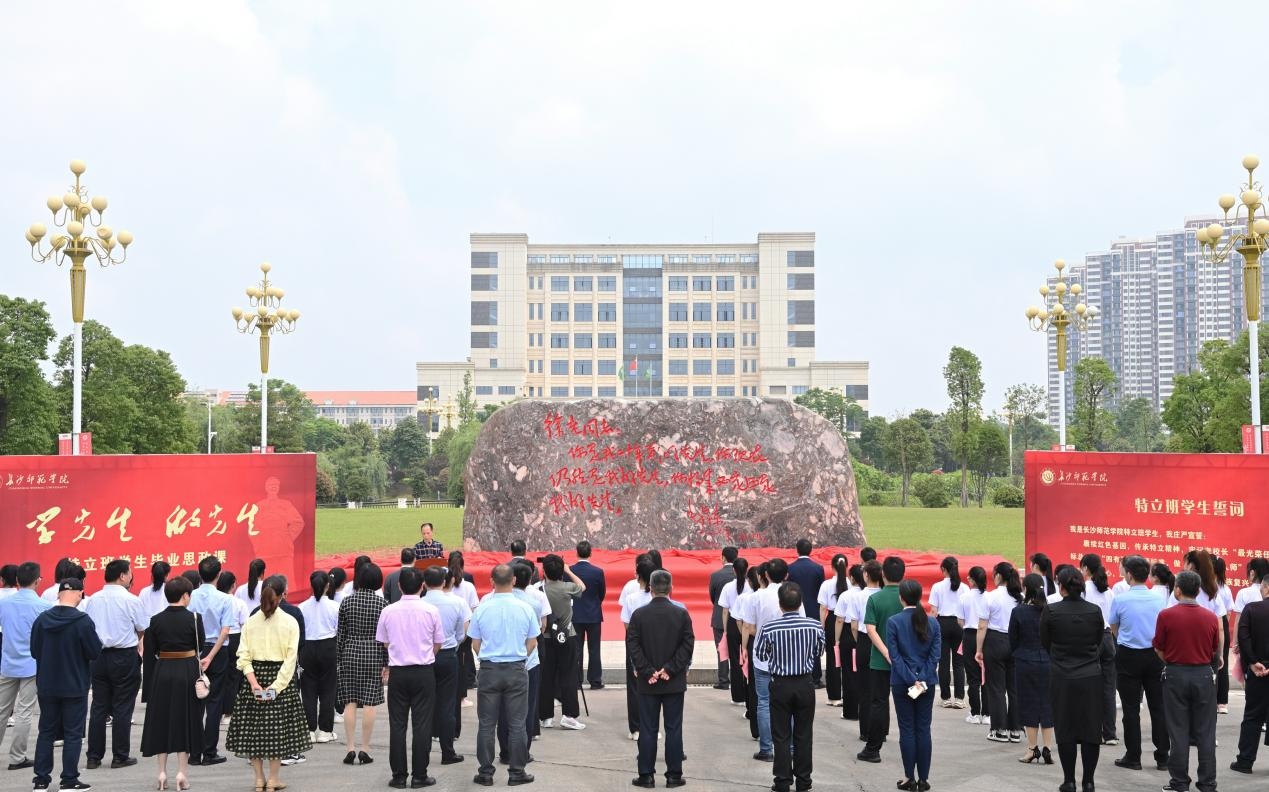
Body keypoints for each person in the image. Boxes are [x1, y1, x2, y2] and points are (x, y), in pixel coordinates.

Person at [226, 574, 309, 792]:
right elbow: (291, 660)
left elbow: (243, 656)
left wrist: (253, 683)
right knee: (276, 732)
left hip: (254, 677)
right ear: (283, 595)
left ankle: (259, 779)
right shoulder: (290, 622)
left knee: (253, 732)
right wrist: (276, 686)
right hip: (280, 678)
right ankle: (273, 779)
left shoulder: (251, 621)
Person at [468, 564, 540, 787]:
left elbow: (475, 644)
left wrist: (488, 659)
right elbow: (532, 642)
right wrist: (519, 658)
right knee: (517, 724)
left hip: (489, 669)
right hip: (516, 668)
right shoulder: (525, 608)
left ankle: (485, 772)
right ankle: (517, 771)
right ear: (514, 580)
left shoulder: (482, 608)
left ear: (491, 581)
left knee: (487, 724)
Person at [29, 577, 101, 792]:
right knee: (73, 734)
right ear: (79, 594)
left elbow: (34, 651)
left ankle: (41, 780)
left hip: (47, 684)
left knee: (46, 732)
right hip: (74, 684)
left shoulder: (42, 620)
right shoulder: (83, 621)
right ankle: (69, 780)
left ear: (59, 594)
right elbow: (94, 652)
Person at [376, 567, 445, 789]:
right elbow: (438, 643)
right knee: (422, 724)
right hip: (423, 672)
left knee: (397, 725)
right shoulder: (430, 611)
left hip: (398, 672)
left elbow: (385, 642)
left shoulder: (388, 611)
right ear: (422, 586)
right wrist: (425, 654)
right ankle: (419, 775)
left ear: (399, 586)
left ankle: (398, 776)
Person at [1041, 566, 1106, 792]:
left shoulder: (1051, 611)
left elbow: (1045, 642)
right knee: (1091, 730)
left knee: (1065, 728)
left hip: (1062, 675)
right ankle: (1088, 781)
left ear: (1061, 587)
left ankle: (1069, 780)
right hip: (1090, 676)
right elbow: (1098, 641)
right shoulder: (1094, 611)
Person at [626, 569, 694, 789]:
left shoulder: (639, 615)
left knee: (648, 728)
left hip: (648, 682)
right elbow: (688, 645)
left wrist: (647, 671)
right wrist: (670, 669)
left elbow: (632, 645)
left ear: (651, 588)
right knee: (673, 728)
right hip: (673, 681)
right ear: (670, 588)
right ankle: (674, 775)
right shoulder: (681, 614)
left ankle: (646, 775)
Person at [1155, 570, 1221, 792]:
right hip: (1203, 675)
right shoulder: (1210, 617)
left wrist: (1173, 661)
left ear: (1177, 590)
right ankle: (1208, 783)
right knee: (1206, 732)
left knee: (1178, 730)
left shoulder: (1166, 615)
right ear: (1198, 590)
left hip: (1175, 674)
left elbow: (1159, 647)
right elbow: (1214, 649)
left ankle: (1180, 782)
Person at [755, 582, 823, 792]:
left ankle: (782, 780)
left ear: (780, 604)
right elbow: (819, 651)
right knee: (804, 734)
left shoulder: (770, 628)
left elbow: (761, 654)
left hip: (780, 684)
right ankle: (804, 781)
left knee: (781, 735)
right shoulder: (814, 626)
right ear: (800, 603)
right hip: (804, 683)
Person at [83, 559, 149, 771]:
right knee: (123, 706)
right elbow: (142, 628)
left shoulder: (93, 599)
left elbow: (88, 628)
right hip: (124, 655)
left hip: (98, 657)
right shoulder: (131, 600)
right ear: (122, 575)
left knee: (99, 706)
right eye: (129, 573)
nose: (131, 576)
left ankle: (93, 757)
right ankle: (120, 756)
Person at [141, 576, 203, 791]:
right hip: (187, 670)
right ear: (185, 596)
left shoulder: (156, 620)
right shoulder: (194, 618)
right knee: (185, 720)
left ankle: (161, 773)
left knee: (162, 720)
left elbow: (151, 651)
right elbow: (200, 646)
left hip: (163, 671)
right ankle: (182, 773)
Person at [1107, 554, 1167, 772]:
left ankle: (1133, 756)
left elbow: (1114, 628)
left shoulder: (1121, 599)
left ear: (1129, 575)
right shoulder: (1159, 599)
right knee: (1158, 707)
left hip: (1128, 655)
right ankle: (1163, 756)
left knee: (1131, 709)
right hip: (1154, 655)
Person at [887, 580, 941, 792]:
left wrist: (911, 679)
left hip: (902, 682)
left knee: (907, 729)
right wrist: (922, 678)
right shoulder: (932, 623)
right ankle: (924, 779)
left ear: (901, 598)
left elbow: (895, 657)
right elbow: (934, 657)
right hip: (926, 683)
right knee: (923, 729)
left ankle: (909, 776)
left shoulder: (894, 622)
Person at [0, 561, 52, 772]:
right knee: (24, 712)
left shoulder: (4, 603)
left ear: (17, 580)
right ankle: (17, 757)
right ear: (38, 581)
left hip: (8, 662)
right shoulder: (44, 607)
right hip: (32, 664)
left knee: (1, 710)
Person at [336, 562, 388, 766]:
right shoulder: (382, 604)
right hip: (373, 653)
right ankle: (365, 748)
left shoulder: (347, 602)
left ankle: (350, 747)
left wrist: (339, 659)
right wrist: (386, 663)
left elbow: (341, 635)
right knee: (369, 702)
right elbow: (385, 638)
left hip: (350, 651)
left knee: (349, 701)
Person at [187, 556, 237, 766]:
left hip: (194, 650)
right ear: (219, 574)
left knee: (195, 700)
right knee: (214, 701)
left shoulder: (190, 596)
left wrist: (199, 654)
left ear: (200, 574)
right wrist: (211, 655)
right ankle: (209, 751)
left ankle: (194, 752)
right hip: (217, 650)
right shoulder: (225, 599)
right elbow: (225, 631)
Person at [858, 556, 906, 764]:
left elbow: (870, 629)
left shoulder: (875, 599)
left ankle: (873, 748)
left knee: (878, 702)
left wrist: (886, 652)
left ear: (883, 574)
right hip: (906, 661)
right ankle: (910, 747)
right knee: (908, 704)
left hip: (880, 660)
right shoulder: (908, 597)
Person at [421, 565, 469, 765]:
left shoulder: (421, 604)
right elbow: (461, 633)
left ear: (425, 584)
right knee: (448, 705)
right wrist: (452, 645)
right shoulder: (457, 602)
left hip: (425, 656)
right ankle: (447, 752)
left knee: (424, 706)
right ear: (444, 582)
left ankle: (423, 753)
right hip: (448, 655)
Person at [539, 555, 587, 730]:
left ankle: (545, 716)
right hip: (567, 636)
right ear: (561, 571)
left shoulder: (540, 590)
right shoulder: (567, 587)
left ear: (544, 571)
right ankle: (569, 715)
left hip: (546, 637)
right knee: (568, 676)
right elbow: (582, 586)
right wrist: (568, 570)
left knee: (546, 677)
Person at [750, 558, 791, 763]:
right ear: (786, 575)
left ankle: (767, 749)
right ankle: (790, 747)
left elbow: (749, 627)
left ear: (765, 575)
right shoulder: (792, 594)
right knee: (787, 704)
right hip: (787, 657)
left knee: (764, 703)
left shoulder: (757, 596)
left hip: (763, 657)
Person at [1010, 573, 1054, 765]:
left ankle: (1032, 748)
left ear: (1025, 589)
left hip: (1025, 661)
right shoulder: (1050, 611)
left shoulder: (1018, 612)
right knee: (1047, 703)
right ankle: (1048, 747)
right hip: (1047, 661)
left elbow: (1013, 640)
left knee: (1028, 704)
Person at [977, 561, 1022, 743]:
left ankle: (999, 729)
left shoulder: (990, 596)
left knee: (996, 688)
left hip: (995, 641)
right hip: (1015, 642)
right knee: (1014, 688)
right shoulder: (1019, 596)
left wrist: (979, 650)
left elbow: (982, 626)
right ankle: (1016, 729)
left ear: (999, 576)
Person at [1231, 567, 1269, 773]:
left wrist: (1253, 662)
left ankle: (1245, 761)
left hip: (1257, 672)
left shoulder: (1252, 609)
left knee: (1253, 716)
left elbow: (1243, 638)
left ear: (1265, 588)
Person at [1079, 554, 1118, 745]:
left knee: (1087, 686)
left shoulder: (1084, 589)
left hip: (1090, 639)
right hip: (1108, 637)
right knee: (1108, 688)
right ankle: (1109, 733)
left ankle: (1090, 731)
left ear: (1086, 568)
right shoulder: (1108, 591)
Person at [298, 571, 340, 745]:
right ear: (327, 586)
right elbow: (338, 630)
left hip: (307, 648)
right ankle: (325, 730)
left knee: (308, 690)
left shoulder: (302, 607)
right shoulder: (335, 607)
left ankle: (309, 730)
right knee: (328, 689)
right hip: (328, 646)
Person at [840, 560, 882, 734]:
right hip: (882, 640)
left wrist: (860, 642)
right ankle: (881, 731)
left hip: (864, 640)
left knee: (864, 689)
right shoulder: (883, 595)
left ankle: (865, 731)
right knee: (881, 690)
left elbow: (853, 625)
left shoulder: (856, 596)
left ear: (866, 575)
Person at [622, 559, 657, 740]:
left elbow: (627, 625)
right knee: (654, 685)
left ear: (638, 577)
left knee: (634, 686)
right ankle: (652, 727)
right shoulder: (657, 598)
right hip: (655, 644)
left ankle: (635, 728)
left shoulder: (631, 599)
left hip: (634, 645)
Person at [787, 539, 826, 689]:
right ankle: (815, 678)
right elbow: (820, 591)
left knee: (795, 643)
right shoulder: (818, 568)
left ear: (797, 550)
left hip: (794, 609)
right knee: (814, 644)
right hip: (813, 610)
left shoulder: (791, 568)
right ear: (810, 550)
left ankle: (797, 674)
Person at [569, 540, 607, 691]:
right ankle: (595, 681)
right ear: (591, 553)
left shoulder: (570, 571)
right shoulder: (597, 572)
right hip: (593, 615)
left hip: (575, 615)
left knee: (576, 649)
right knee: (594, 649)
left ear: (576, 553)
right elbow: (601, 593)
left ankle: (576, 681)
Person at [929, 556, 966, 709]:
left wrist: (930, 629)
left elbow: (933, 611)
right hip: (959, 624)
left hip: (942, 624)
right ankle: (959, 698)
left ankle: (945, 698)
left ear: (943, 569)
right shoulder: (964, 587)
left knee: (943, 663)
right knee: (959, 663)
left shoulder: (937, 587)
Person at [718, 557, 751, 707]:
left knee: (735, 660)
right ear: (747, 570)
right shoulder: (751, 587)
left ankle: (738, 697)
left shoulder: (727, 587)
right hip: (748, 623)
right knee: (747, 658)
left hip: (732, 623)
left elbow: (725, 611)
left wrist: (726, 630)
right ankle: (748, 694)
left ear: (733, 570)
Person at [215, 570, 248, 719]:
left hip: (218, 639)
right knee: (233, 676)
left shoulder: (217, 601)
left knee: (219, 674)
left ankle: (218, 710)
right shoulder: (239, 603)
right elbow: (244, 626)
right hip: (235, 639)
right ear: (233, 585)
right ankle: (229, 712)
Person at [139, 562, 172, 706]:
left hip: (149, 630)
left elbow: (141, 613)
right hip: (166, 629)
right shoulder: (170, 589)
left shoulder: (144, 592)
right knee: (167, 663)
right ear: (167, 574)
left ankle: (150, 696)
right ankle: (165, 695)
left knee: (149, 665)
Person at [818, 554, 849, 707]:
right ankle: (849, 695)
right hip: (848, 622)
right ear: (846, 567)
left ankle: (834, 696)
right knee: (848, 659)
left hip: (832, 621)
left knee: (832, 659)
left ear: (832, 567)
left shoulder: (826, 584)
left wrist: (822, 626)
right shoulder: (850, 583)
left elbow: (823, 607)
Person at [960, 566, 989, 725]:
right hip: (986, 636)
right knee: (986, 676)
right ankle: (987, 713)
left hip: (970, 635)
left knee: (973, 677)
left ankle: (975, 713)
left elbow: (960, 621)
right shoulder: (989, 597)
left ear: (972, 580)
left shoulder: (964, 597)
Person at [709, 547, 740, 691]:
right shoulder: (742, 575)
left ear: (723, 558)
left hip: (719, 617)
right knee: (737, 649)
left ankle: (723, 680)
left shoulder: (716, 576)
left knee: (721, 649)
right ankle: (738, 679)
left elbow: (713, 596)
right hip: (739, 617)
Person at [1212, 556, 1235, 715]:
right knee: (1223, 663)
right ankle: (1222, 703)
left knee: (1211, 662)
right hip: (1222, 624)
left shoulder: (1208, 587)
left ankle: (1213, 700)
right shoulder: (1225, 589)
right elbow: (1228, 613)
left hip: (1212, 625)